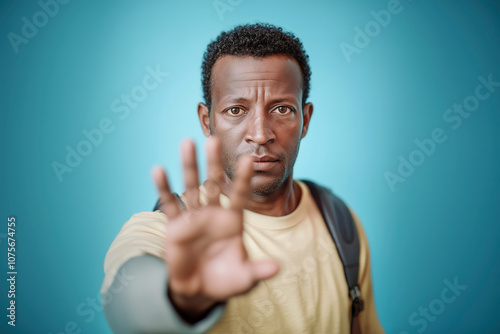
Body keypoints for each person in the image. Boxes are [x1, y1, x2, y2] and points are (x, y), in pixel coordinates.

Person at [101, 23, 384, 334]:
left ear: (305, 120)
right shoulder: (172, 229)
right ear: (206, 121)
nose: (260, 134)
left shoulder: (341, 224)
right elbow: (127, 304)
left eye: (281, 109)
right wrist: (183, 299)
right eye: (236, 110)